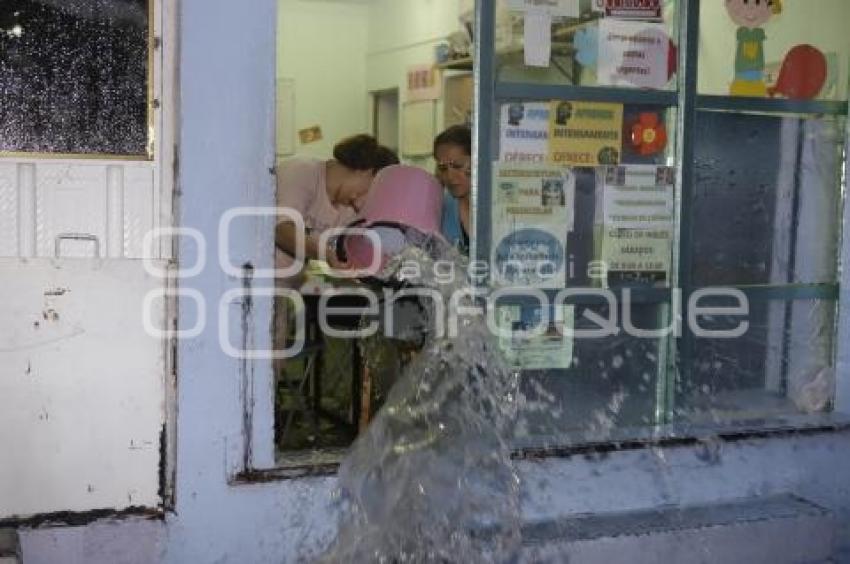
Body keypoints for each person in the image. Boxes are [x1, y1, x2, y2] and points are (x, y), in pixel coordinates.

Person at [275, 134, 398, 273]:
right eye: (372, 192)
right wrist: (326, 254)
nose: (361, 205)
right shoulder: (301, 171)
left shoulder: (349, 212)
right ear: (368, 171)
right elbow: (281, 229)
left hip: (292, 288)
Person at [433, 125, 472, 254]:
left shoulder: (498, 207)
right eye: (443, 168)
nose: (450, 176)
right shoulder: (441, 209)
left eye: (457, 166)